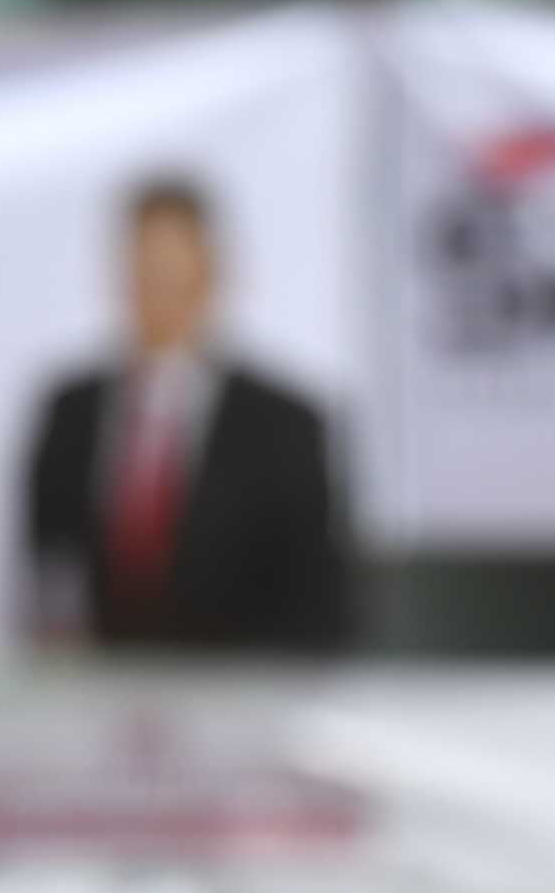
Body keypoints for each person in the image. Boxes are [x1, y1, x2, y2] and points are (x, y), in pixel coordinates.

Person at [20, 173, 358, 651]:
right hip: (97, 698)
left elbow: (319, 605)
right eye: (145, 269)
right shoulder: (69, 410)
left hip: (240, 700)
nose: (159, 290)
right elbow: (49, 573)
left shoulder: (287, 425)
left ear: (211, 274)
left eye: (174, 270)